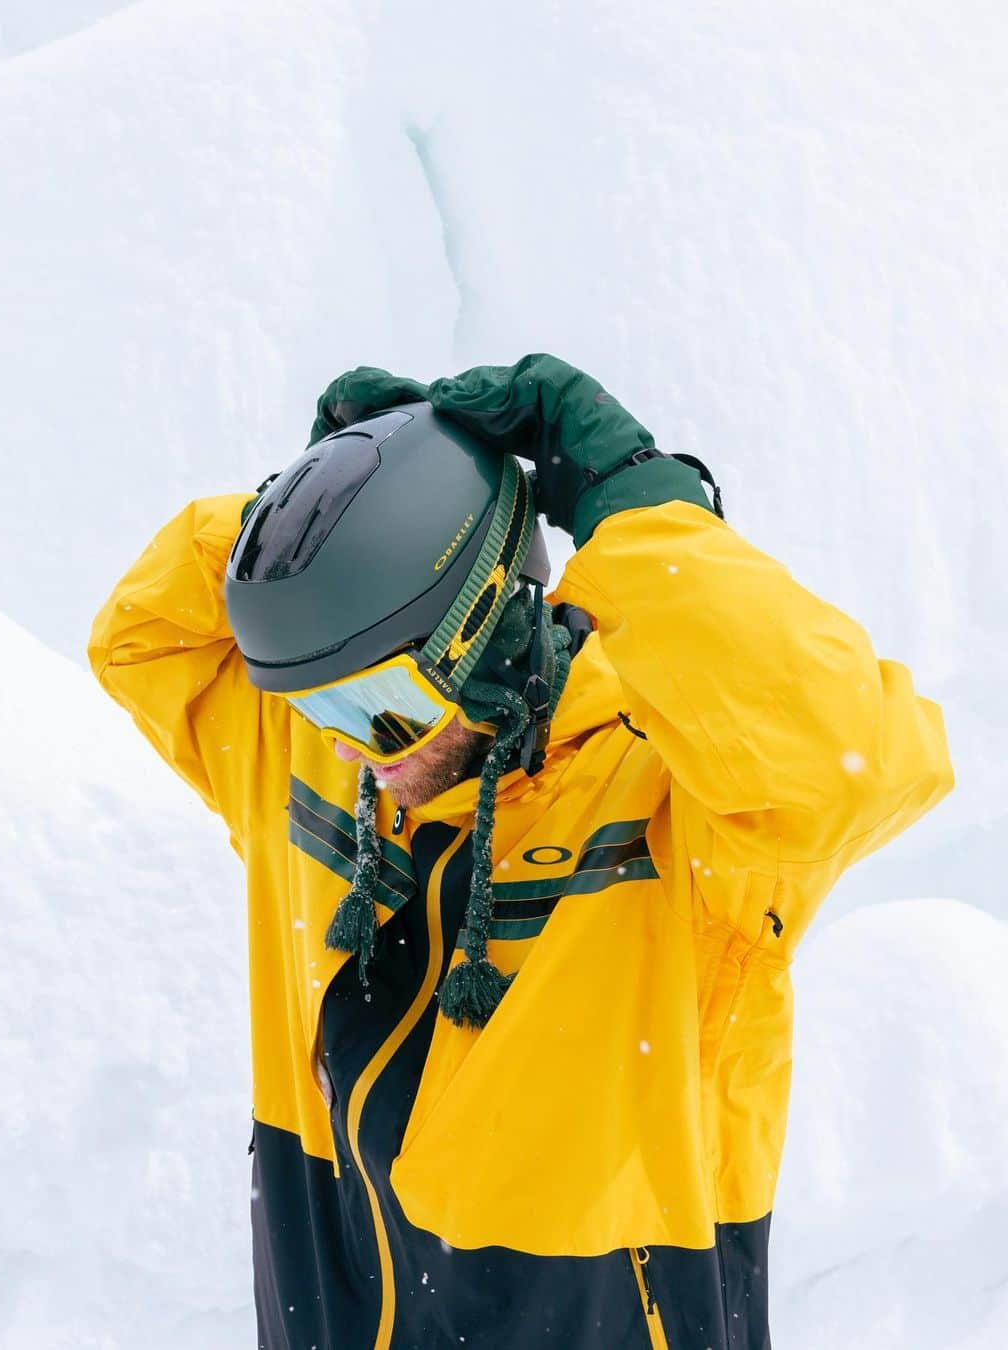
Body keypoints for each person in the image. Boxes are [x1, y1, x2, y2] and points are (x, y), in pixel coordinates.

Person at [88, 353, 954, 1349]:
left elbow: (852, 762)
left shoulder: (679, 803)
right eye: (315, 692)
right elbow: (142, 639)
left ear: (491, 633)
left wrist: (646, 517)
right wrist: (311, 521)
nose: (337, 740)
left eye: (379, 704)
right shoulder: (330, 762)